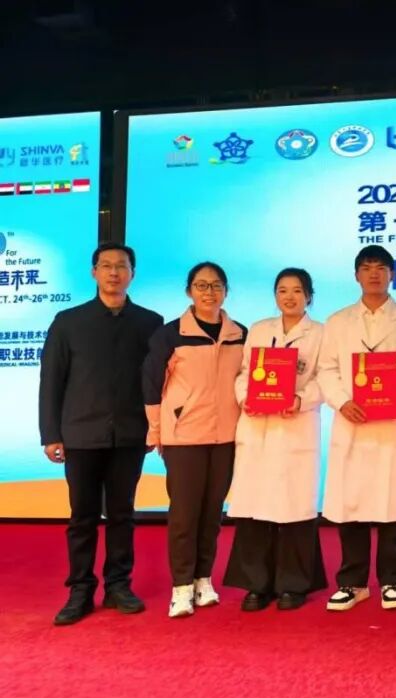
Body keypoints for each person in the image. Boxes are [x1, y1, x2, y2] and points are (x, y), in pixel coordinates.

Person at [39, 242, 164, 626]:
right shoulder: (68, 322)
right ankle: (80, 589)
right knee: (83, 516)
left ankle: (118, 585)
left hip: (130, 434)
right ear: (93, 272)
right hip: (81, 434)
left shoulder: (150, 323)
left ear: (132, 273)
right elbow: (51, 381)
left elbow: (158, 382)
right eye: (106, 265)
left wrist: (155, 427)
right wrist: (50, 434)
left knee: (122, 514)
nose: (113, 272)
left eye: (121, 266)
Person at [317, 246, 396, 611]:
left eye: (381, 268)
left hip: (391, 424)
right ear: (356, 276)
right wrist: (341, 401)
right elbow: (327, 369)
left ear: (392, 274)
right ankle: (353, 582)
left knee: (393, 503)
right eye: (366, 268)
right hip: (353, 420)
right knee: (352, 503)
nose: (374, 274)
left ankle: (392, 580)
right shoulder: (337, 321)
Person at [143, 262, 246, 618]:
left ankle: (204, 579)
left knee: (213, 513)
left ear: (226, 291)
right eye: (201, 285)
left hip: (227, 436)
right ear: (189, 291)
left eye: (216, 285)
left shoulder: (240, 334)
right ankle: (182, 586)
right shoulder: (170, 334)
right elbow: (151, 383)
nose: (209, 292)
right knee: (184, 514)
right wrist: (156, 430)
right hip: (184, 436)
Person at [223, 268, 327, 611]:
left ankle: (293, 585)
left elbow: (325, 379)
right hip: (257, 427)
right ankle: (257, 584)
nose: (290, 297)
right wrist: (245, 398)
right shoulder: (259, 329)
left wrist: (300, 400)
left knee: (293, 508)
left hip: (295, 426)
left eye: (297, 291)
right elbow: (243, 374)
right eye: (283, 290)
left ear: (308, 296)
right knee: (254, 506)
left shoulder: (321, 333)